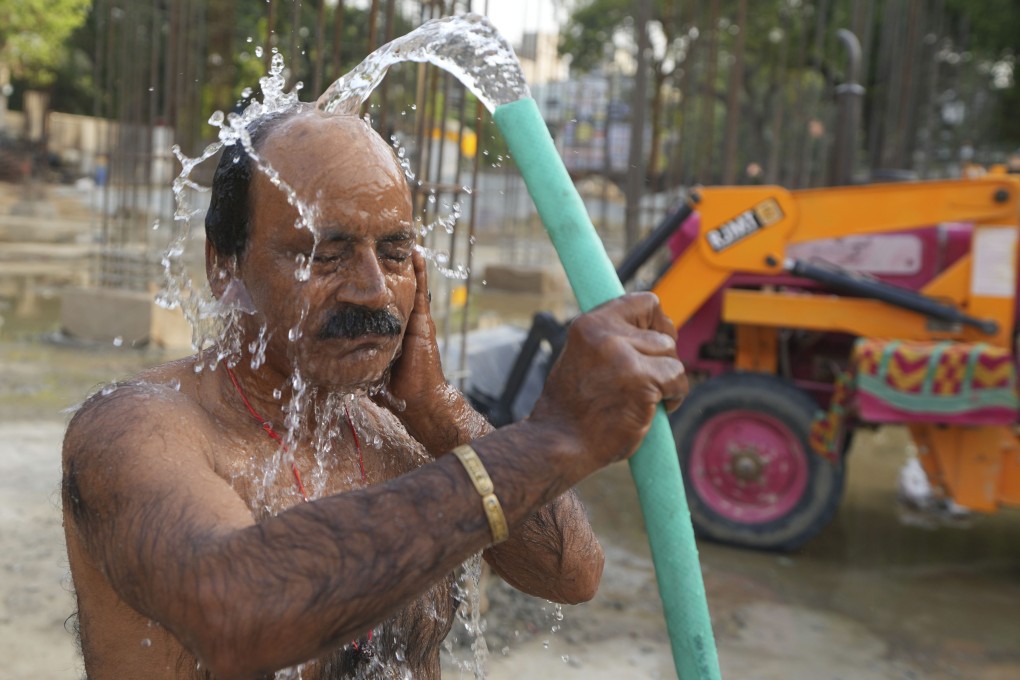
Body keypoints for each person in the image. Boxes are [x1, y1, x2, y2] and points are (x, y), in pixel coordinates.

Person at [61, 106, 688, 680]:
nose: (373, 291)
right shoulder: (138, 430)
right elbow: (237, 613)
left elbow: (570, 573)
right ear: (225, 264)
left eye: (393, 253)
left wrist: (439, 408)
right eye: (325, 255)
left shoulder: (400, 432)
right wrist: (552, 440)